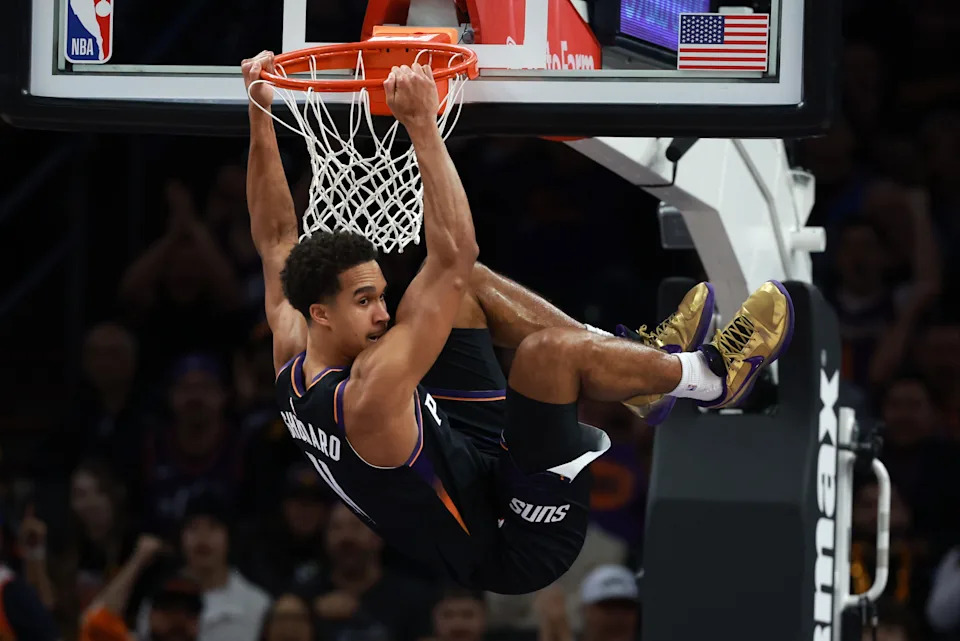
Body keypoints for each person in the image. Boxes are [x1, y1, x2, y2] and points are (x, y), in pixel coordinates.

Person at [241, 50, 794, 594]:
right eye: (365, 302)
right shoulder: (371, 391)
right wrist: (421, 126)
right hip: (512, 538)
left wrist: (259, 113)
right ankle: (711, 376)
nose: (385, 313)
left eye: (381, 296)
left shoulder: (295, 349)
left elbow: (273, 239)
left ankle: (641, 378)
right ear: (321, 312)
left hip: (460, 454)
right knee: (547, 354)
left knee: (467, 292)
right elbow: (451, 254)